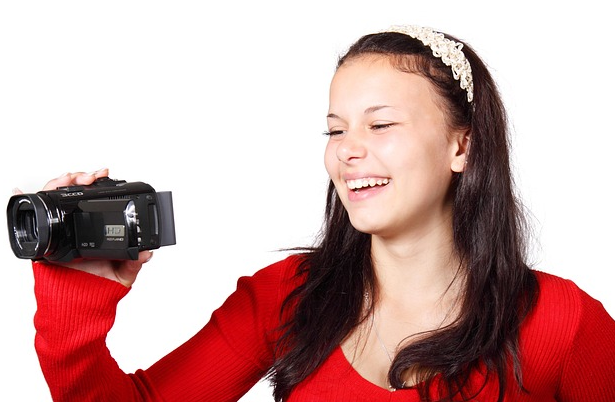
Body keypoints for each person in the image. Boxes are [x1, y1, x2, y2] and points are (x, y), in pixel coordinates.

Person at [24, 25, 615, 402]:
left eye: (380, 125)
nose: (347, 150)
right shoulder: (286, 297)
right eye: (335, 130)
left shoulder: (561, 323)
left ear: (462, 146)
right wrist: (73, 301)